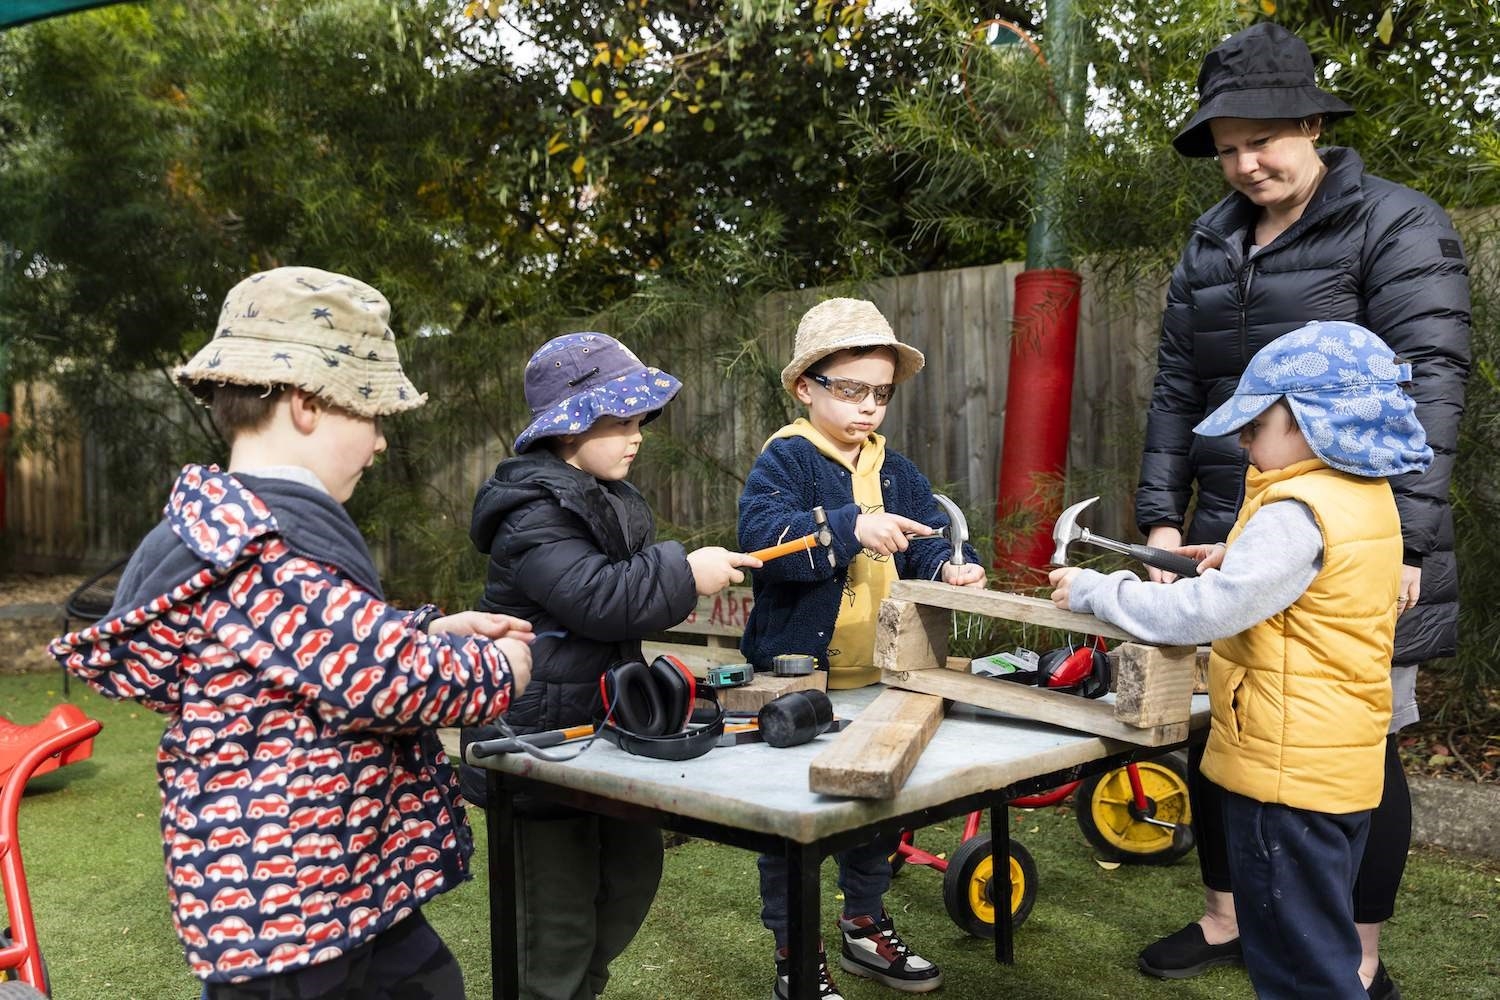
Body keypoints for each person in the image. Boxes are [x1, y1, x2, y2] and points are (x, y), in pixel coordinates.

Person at [49, 266, 535, 997]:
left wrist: (427, 628)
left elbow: (315, 647)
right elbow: (392, 679)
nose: (377, 446)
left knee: (430, 984)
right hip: (287, 910)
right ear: (307, 404)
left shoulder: (252, 535)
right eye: (372, 417)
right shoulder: (258, 547)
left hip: (340, 883)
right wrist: (499, 666)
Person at [1134, 21, 1471, 997]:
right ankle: (1227, 913)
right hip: (1231, 529)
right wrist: (1161, 517)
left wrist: (1405, 539)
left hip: (1353, 546)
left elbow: (1428, 386)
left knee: (1360, 739)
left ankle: (1353, 950)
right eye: (1226, 145)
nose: (1243, 162)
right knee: (1219, 724)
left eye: (1262, 140)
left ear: (1313, 119)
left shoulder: (1394, 225)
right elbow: (1173, 393)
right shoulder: (1210, 244)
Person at [1057, 320, 1432, 999]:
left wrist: (1098, 591)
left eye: (1255, 423)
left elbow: (1208, 613)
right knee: (1322, 940)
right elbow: (1325, 584)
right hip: (1337, 765)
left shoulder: (1295, 512)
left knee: (1297, 967)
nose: (1242, 439)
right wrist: (1238, 558)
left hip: (1285, 777)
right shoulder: (1363, 498)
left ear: (1307, 421)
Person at [457, 332, 758, 1000]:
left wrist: (672, 574)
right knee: (555, 926)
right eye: (619, 421)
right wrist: (685, 570)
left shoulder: (600, 496)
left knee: (629, 880)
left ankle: (578, 991)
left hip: (602, 733)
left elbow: (624, 602)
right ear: (567, 430)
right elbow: (601, 600)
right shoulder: (531, 512)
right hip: (535, 746)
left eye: (638, 421)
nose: (637, 435)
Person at [739, 298, 986, 1000]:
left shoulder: (895, 466)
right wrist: (852, 526)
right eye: (850, 390)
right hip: (798, 675)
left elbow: (929, 535)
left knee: (880, 809)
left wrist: (947, 567)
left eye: (880, 392)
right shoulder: (786, 460)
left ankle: (862, 925)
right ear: (805, 387)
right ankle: (795, 953)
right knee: (797, 822)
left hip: (883, 674)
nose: (868, 407)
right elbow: (767, 544)